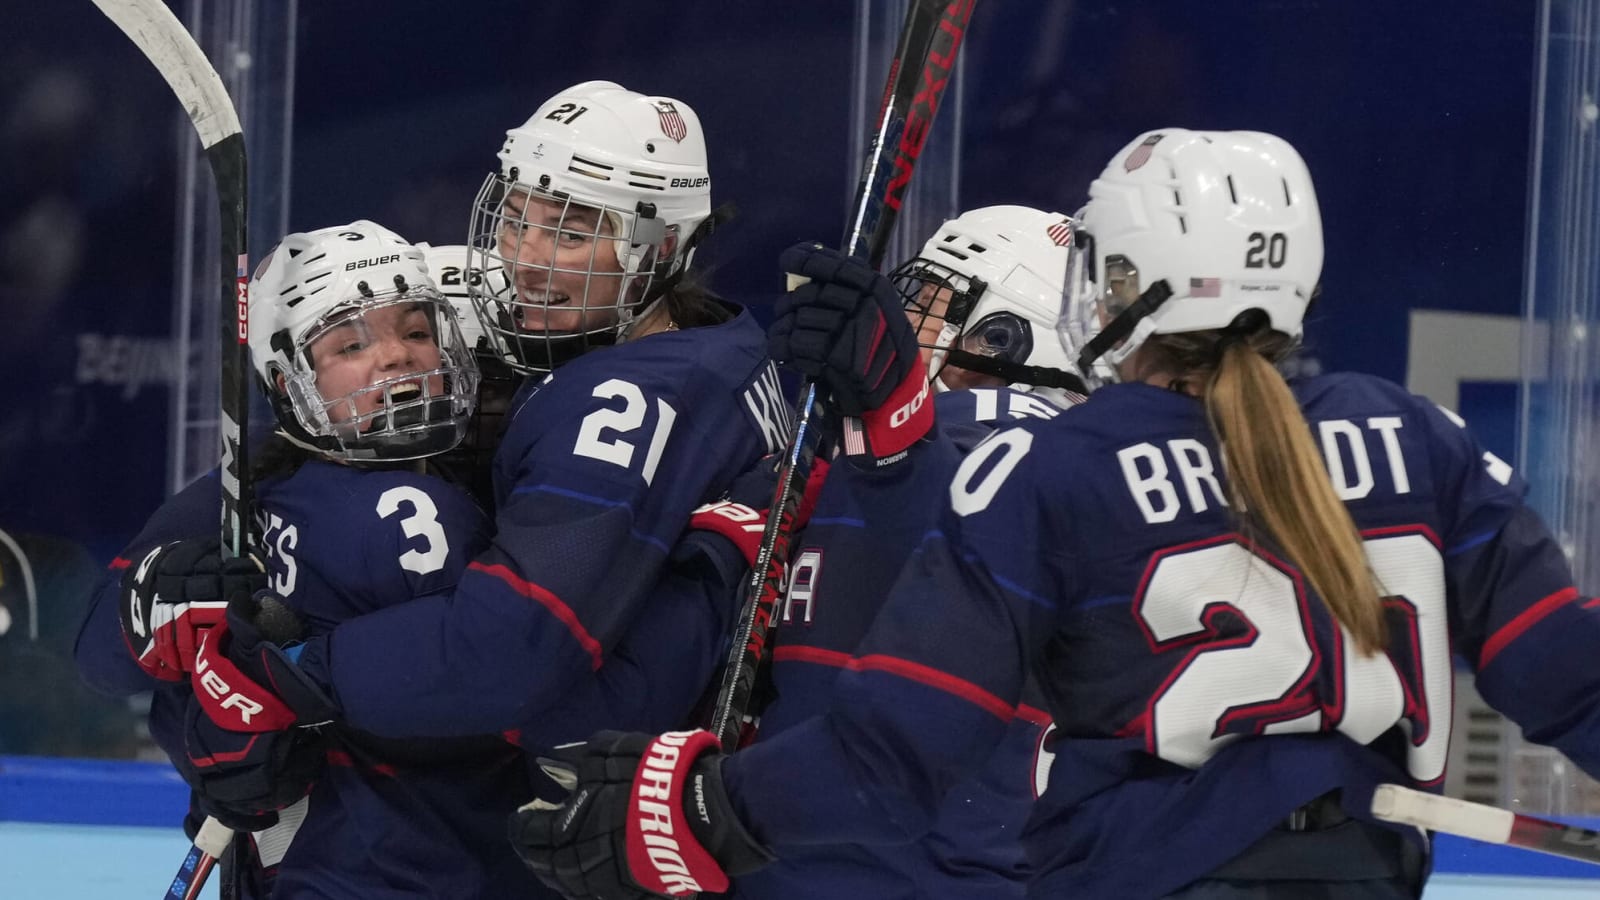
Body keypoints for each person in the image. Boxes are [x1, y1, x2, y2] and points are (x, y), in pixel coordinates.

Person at [508, 129, 1600, 900]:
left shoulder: (1056, 464)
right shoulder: (1417, 438)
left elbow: (897, 743)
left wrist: (703, 808)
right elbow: (1569, 680)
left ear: (1122, 278)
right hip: (1371, 873)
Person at [109, 80, 782, 769]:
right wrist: (162, 620)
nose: (525, 258)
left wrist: (288, 680)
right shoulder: (715, 342)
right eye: (518, 219)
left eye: (571, 234)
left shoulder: (616, 395)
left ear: (661, 246)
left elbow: (508, 662)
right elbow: (112, 639)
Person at [697, 206, 1082, 900]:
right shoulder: (897, 441)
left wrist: (893, 425)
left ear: (1004, 338)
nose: (906, 323)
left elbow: (964, 500)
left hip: (902, 871)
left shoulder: (1009, 436)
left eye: (933, 303)